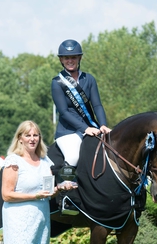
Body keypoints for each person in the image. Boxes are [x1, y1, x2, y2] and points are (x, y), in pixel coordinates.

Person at [51, 39, 111, 213]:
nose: (70, 60)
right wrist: (85, 128)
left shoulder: (89, 79)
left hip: (91, 127)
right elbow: (64, 112)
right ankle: (66, 199)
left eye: (74, 57)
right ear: (61, 60)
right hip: (68, 131)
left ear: (79, 58)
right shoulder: (57, 82)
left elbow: (97, 105)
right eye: (66, 58)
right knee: (73, 154)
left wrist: (103, 125)